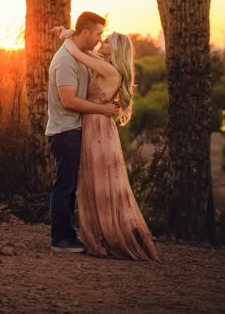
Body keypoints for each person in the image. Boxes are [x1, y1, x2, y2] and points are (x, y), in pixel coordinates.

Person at [58, 28, 159, 261]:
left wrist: (66, 37)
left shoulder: (108, 69)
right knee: (96, 181)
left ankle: (105, 236)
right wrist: (72, 35)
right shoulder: (107, 65)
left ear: (115, 49)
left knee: (98, 182)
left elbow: (76, 53)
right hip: (98, 124)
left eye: (106, 41)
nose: (101, 42)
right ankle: (99, 233)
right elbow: (87, 52)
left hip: (97, 128)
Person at [45, 12, 119, 254]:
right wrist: (103, 109)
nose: (100, 39)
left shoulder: (83, 56)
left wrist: (65, 33)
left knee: (71, 183)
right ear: (85, 33)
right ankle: (60, 239)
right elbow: (69, 101)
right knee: (65, 184)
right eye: (98, 33)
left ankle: (69, 234)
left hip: (75, 129)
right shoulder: (66, 60)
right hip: (65, 130)